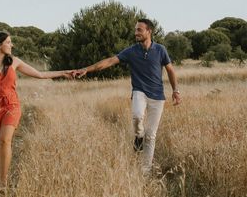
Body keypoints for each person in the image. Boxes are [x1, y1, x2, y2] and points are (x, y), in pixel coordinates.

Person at [75, 19, 181, 174]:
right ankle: (138, 136)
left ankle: (146, 170)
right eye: (136, 30)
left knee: (151, 135)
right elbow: (110, 61)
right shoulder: (131, 51)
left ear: (148, 31)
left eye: (139, 30)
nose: (136, 33)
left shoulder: (160, 50)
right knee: (137, 116)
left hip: (158, 97)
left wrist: (176, 91)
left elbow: (170, 70)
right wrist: (87, 69)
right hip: (140, 91)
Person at [0, 31, 73, 189]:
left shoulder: (14, 62)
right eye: (8, 42)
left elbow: (40, 74)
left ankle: (3, 182)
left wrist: (64, 73)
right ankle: (1, 177)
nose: (11, 45)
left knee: (4, 140)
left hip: (11, 105)